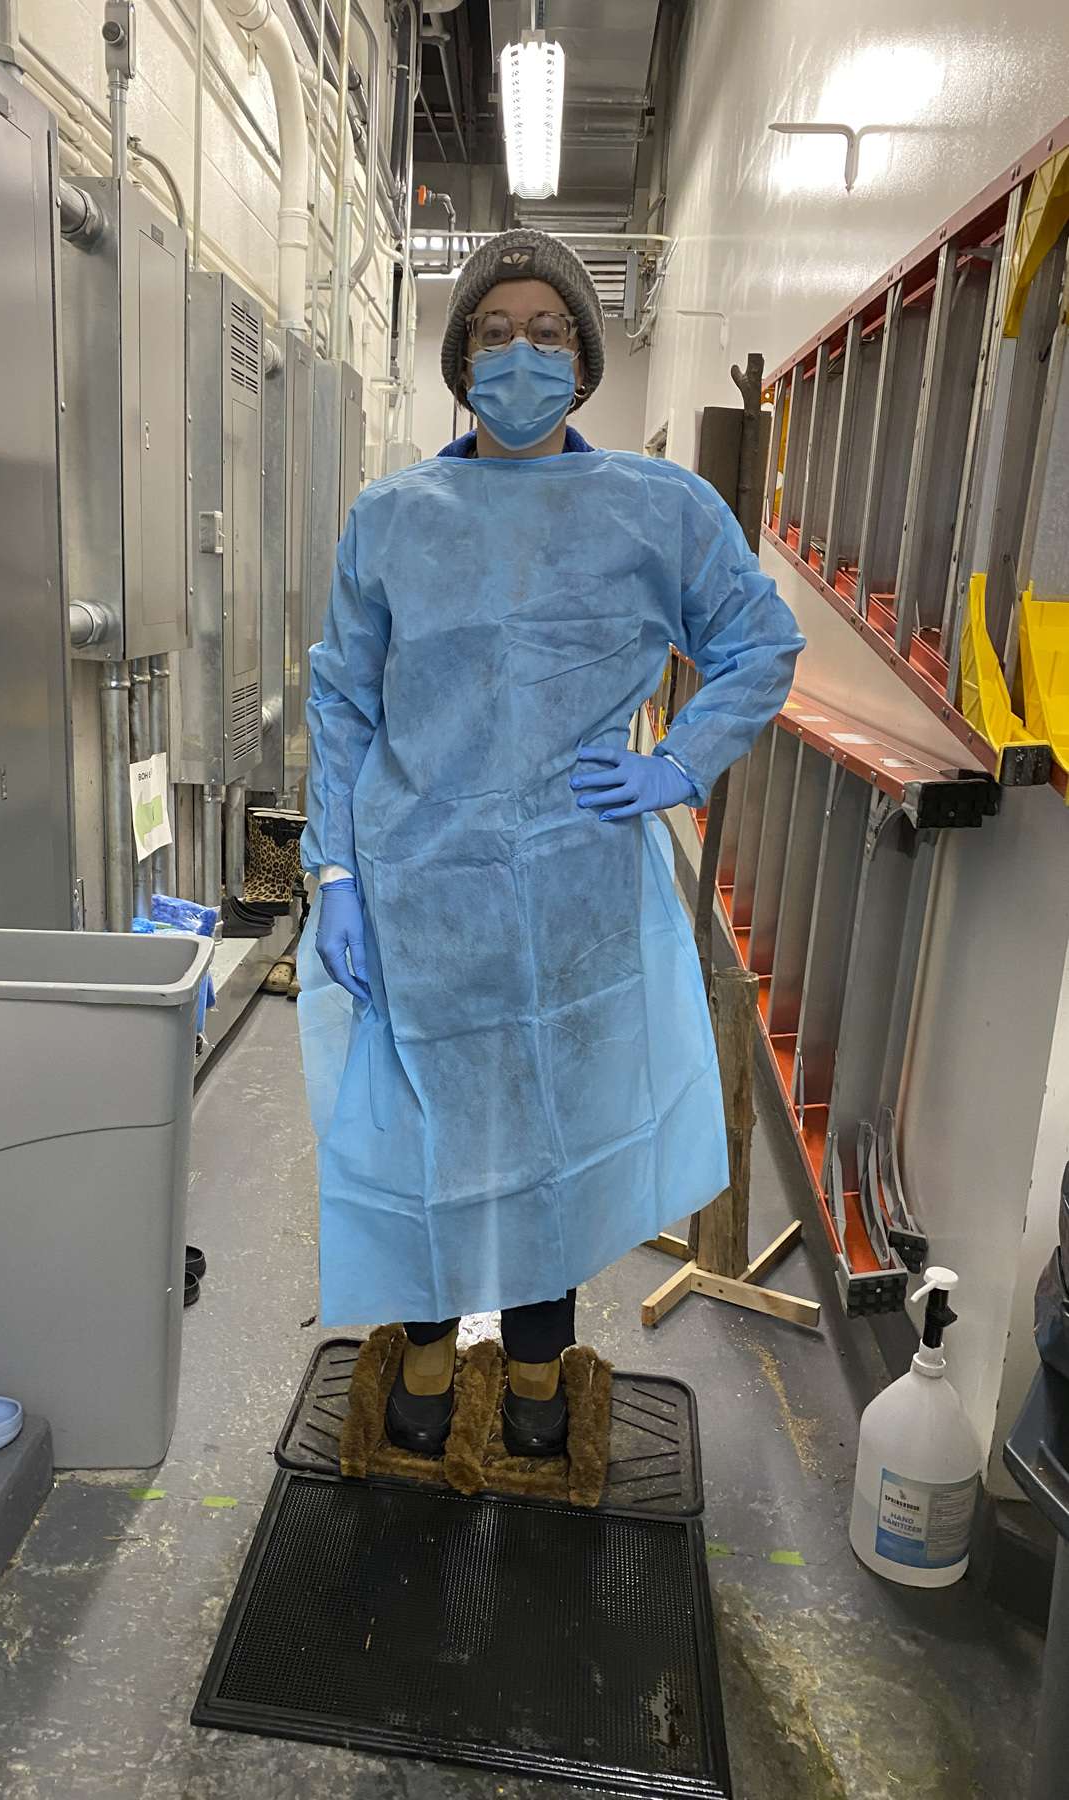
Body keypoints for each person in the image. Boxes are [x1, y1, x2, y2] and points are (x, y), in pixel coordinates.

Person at [297, 229, 805, 1460]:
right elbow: (343, 703)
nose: (518, 350)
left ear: (581, 361)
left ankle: (533, 1392)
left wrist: (677, 762)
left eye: (547, 330)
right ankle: (418, 1375)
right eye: (492, 328)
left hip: (578, 902)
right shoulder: (392, 519)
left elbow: (760, 641)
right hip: (418, 894)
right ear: (458, 356)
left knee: (552, 1144)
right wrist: (333, 872)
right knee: (428, 1134)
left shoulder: (656, 507)